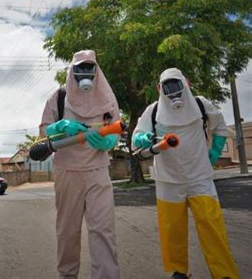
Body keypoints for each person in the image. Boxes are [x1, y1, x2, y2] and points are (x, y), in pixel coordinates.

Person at [132, 68, 240, 279]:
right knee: (172, 229)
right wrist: (143, 138)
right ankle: (178, 271)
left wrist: (216, 151)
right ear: (159, 89)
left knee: (211, 225)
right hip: (168, 180)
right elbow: (137, 136)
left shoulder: (201, 104)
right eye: (167, 87)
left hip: (200, 177)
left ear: (187, 83)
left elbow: (219, 127)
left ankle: (224, 274)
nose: (173, 92)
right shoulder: (153, 111)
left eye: (177, 85)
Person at [39, 50, 120, 279]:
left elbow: (117, 128)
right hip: (67, 172)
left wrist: (109, 141)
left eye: (89, 68)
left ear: (96, 71)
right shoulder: (59, 98)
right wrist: (58, 128)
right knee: (67, 231)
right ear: (72, 72)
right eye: (80, 69)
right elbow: (43, 134)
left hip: (98, 171)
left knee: (103, 231)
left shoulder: (107, 97)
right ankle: (67, 275)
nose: (85, 73)